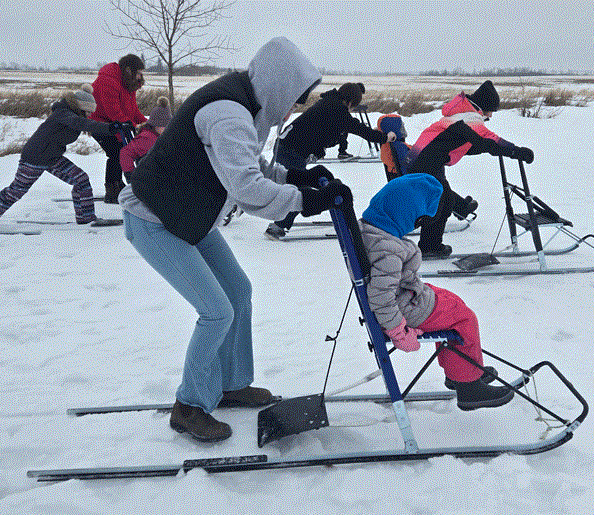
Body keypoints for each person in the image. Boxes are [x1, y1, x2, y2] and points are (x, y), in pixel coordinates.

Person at [118, 37, 348, 443]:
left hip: (190, 217)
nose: (296, 106)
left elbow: (251, 164)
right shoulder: (228, 113)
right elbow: (247, 189)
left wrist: (297, 178)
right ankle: (188, 407)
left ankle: (230, 385)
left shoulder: (245, 106)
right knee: (216, 311)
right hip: (153, 217)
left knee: (238, 292)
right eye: (295, 96)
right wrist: (306, 201)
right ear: (279, 84)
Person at [359, 174, 514, 410]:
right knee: (464, 318)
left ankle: (461, 370)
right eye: (415, 219)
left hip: (406, 298)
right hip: (404, 310)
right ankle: (469, 387)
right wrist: (399, 332)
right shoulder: (387, 249)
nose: (415, 224)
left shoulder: (372, 231)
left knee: (452, 302)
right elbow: (381, 297)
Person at [406, 80, 534, 258]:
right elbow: (489, 141)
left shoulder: (461, 116)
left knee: (447, 201)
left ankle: (431, 245)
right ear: (484, 106)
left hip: (426, 162)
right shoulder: (468, 119)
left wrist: (488, 149)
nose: (491, 115)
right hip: (425, 164)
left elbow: (466, 145)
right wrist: (516, 151)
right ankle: (427, 246)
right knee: (438, 203)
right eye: (491, 110)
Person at [0, 85, 121, 229]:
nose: (90, 115)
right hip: (35, 158)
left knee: (81, 179)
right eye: (88, 111)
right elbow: (81, 123)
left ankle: (87, 219)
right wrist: (109, 127)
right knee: (16, 191)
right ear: (80, 107)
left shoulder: (70, 115)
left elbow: (85, 123)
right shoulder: (64, 114)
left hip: (51, 157)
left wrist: (114, 127)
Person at [264, 82, 397, 240]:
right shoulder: (338, 110)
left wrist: (370, 133)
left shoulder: (329, 103)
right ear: (349, 102)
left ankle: (261, 207)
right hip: (291, 151)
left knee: (291, 185)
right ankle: (277, 226)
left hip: (286, 145)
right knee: (299, 189)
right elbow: (359, 129)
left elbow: (345, 129)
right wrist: (385, 137)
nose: (352, 110)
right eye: (353, 106)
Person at [90, 54, 148, 203]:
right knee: (116, 153)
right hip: (99, 123)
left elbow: (133, 110)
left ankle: (117, 184)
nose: (141, 77)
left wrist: (146, 123)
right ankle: (112, 189)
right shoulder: (108, 80)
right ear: (129, 70)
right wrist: (131, 125)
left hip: (115, 124)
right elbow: (112, 111)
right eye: (139, 73)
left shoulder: (129, 84)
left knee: (122, 152)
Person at [119, 96, 172, 183]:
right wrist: (130, 175)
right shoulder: (147, 138)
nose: (167, 128)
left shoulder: (159, 135)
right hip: (149, 178)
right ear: (156, 125)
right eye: (164, 126)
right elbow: (125, 153)